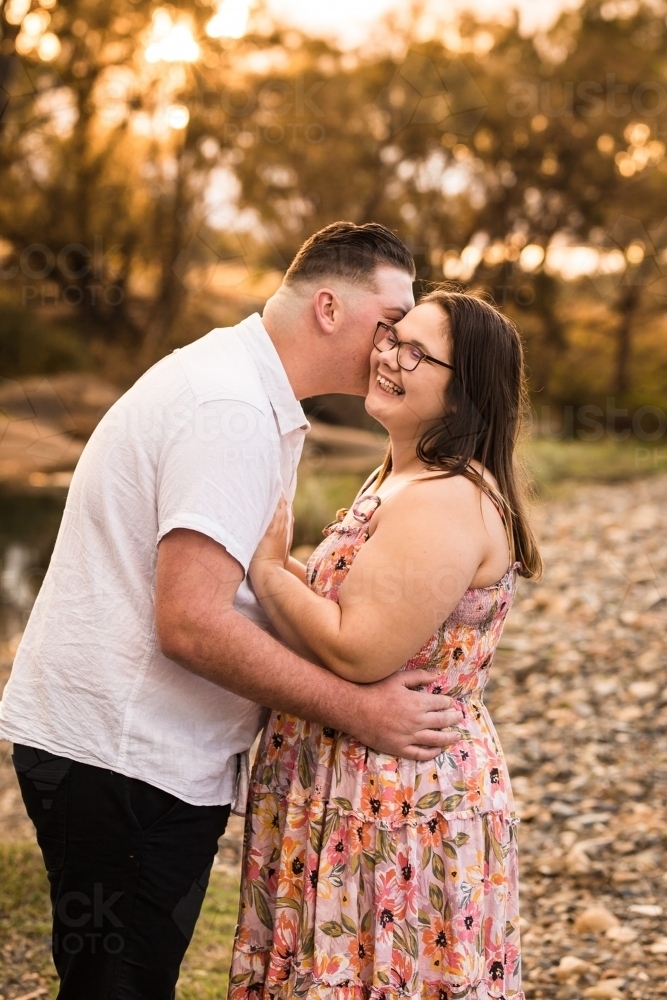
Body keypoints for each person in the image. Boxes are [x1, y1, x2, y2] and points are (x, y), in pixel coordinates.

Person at [0, 222, 465, 999]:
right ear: (327, 307)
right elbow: (190, 622)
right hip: (125, 758)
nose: (391, 349)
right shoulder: (231, 408)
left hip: (125, 753)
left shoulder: (240, 384)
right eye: (388, 324)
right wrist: (362, 712)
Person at [228, 289, 542, 1000]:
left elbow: (357, 649)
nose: (388, 357)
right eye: (392, 337)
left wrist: (271, 571)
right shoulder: (396, 476)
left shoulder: (444, 497)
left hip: (396, 796)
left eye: (415, 354)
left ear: (462, 396)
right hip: (350, 785)